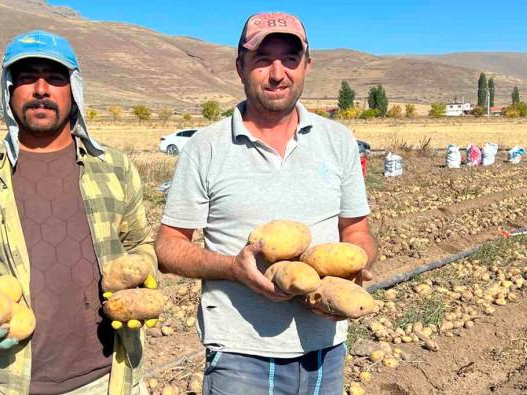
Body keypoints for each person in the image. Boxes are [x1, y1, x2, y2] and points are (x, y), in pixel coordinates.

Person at [155, 12, 377, 394]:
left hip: (326, 348)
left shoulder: (338, 140)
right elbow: (168, 247)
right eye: (262, 59)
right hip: (240, 358)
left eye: (290, 59)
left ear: (307, 65)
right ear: (240, 67)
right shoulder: (205, 147)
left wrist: (356, 265)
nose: (278, 73)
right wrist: (232, 268)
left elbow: (357, 233)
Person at [0, 30, 155, 395]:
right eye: (28, 78)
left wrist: (139, 273)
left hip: (108, 380)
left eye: (55, 78)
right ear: (9, 89)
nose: (41, 89)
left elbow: (140, 242)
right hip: (4, 381)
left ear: (73, 90)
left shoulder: (114, 167)